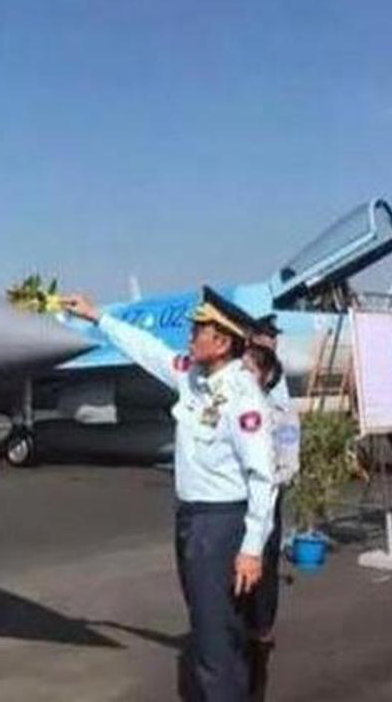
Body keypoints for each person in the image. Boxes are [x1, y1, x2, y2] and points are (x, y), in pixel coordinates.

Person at [62, 286, 276, 702]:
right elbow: (148, 350)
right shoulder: (193, 377)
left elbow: (263, 477)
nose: (190, 337)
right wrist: (97, 316)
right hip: (192, 521)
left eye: (199, 331)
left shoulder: (244, 397)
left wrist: (251, 548)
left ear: (223, 342)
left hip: (221, 525)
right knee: (211, 624)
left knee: (214, 638)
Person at [239, 338, 298, 702]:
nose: (242, 373)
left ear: (267, 376)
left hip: (267, 501)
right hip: (232, 504)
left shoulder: (281, 415)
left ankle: (261, 631)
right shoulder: (230, 410)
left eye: (250, 368)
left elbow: (289, 464)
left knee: (265, 564)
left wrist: (265, 482)